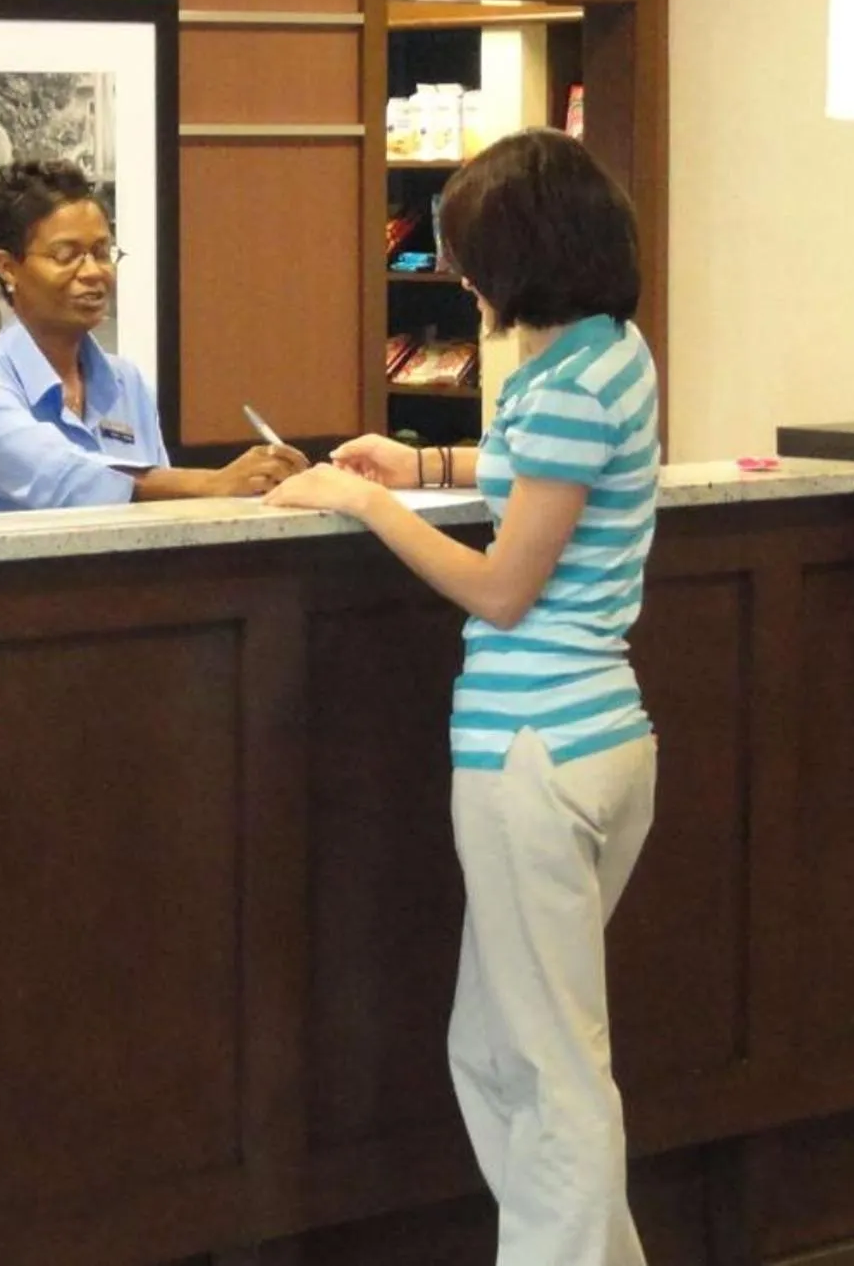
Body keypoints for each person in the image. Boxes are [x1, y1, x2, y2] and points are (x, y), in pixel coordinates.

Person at [265, 128, 661, 1266]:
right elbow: (541, 482)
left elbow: (501, 589)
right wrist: (420, 464)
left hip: (531, 750)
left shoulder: (558, 385)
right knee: (494, 1047)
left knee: (546, 1059)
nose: (460, 282)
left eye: (470, 259)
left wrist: (359, 503)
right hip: (596, 739)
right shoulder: (607, 354)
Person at [0, 159, 308, 514]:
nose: (93, 272)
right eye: (66, 255)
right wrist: (213, 482)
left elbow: (162, 514)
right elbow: (60, 478)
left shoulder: (127, 384)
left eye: (101, 252)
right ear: (8, 268)